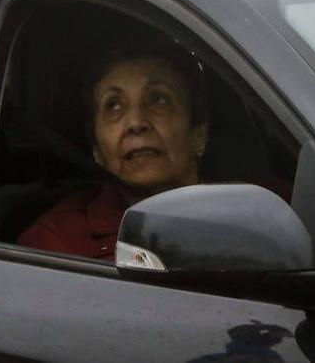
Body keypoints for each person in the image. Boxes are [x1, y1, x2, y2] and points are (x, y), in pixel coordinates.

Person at [17, 34, 208, 260]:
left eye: (158, 99)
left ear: (198, 134)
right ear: (96, 149)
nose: (136, 123)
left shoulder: (249, 223)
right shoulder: (56, 244)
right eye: (114, 105)